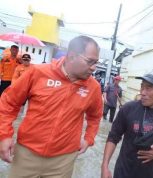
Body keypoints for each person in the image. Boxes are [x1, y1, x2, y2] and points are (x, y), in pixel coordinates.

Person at [0, 35, 103, 178]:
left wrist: (88, 139)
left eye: (96, 62)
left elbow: (95, 116)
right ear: (72, 56)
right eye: (90, 61)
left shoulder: (93, 87)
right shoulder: (38, 73)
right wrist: (4, 136)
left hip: (63, 161)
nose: (94, 68)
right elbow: (8, 102)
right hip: (26, 154)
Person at [101, 69, 153, 178]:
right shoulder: (128, 109)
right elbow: (113, 137)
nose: (143, 92)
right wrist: (105, 166)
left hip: (152, 174)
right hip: (124, 172)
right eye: (142, 87)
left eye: (148, 88)